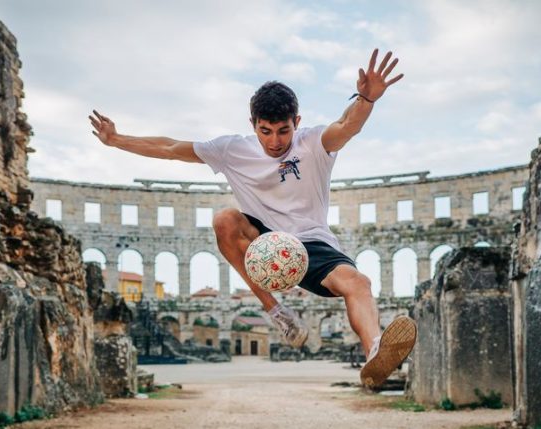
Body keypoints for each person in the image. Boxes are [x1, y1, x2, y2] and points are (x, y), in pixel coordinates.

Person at [89, 48, 415, 387]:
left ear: (297, 123)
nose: (275, 141)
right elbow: (170, 148)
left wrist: (366, 99)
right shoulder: (232, 149)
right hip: (265, 242)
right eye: (265, 131)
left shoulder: (313, 142)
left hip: (313, 244)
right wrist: (116, 140)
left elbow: (347, 124)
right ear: (253, 125)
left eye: (283, 131)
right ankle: (277, 312)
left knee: (358, 283)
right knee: (224, 219)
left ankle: (375, 353)